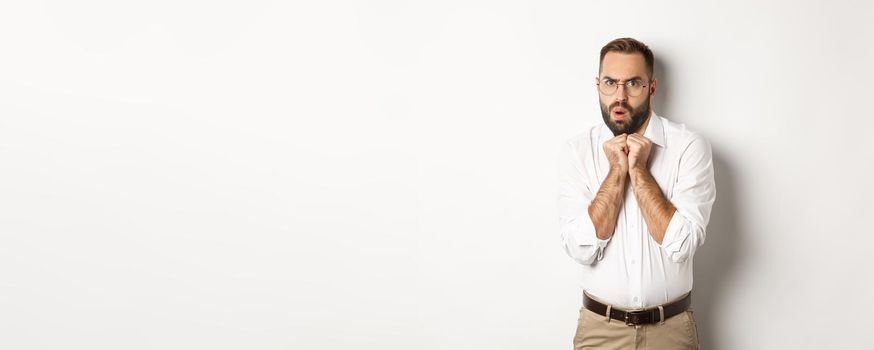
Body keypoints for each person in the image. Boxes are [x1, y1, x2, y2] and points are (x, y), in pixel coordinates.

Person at [557, 37, 716, 349]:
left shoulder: (688, 147)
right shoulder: (577, 151)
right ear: (597, 85)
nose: (620, 96)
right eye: (610, 82)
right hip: (599, 332)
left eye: (633, 83)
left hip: (670, 330)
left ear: (651, 88)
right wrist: (617, 171)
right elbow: (580, 248)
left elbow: (682, 244)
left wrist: (640, 172)